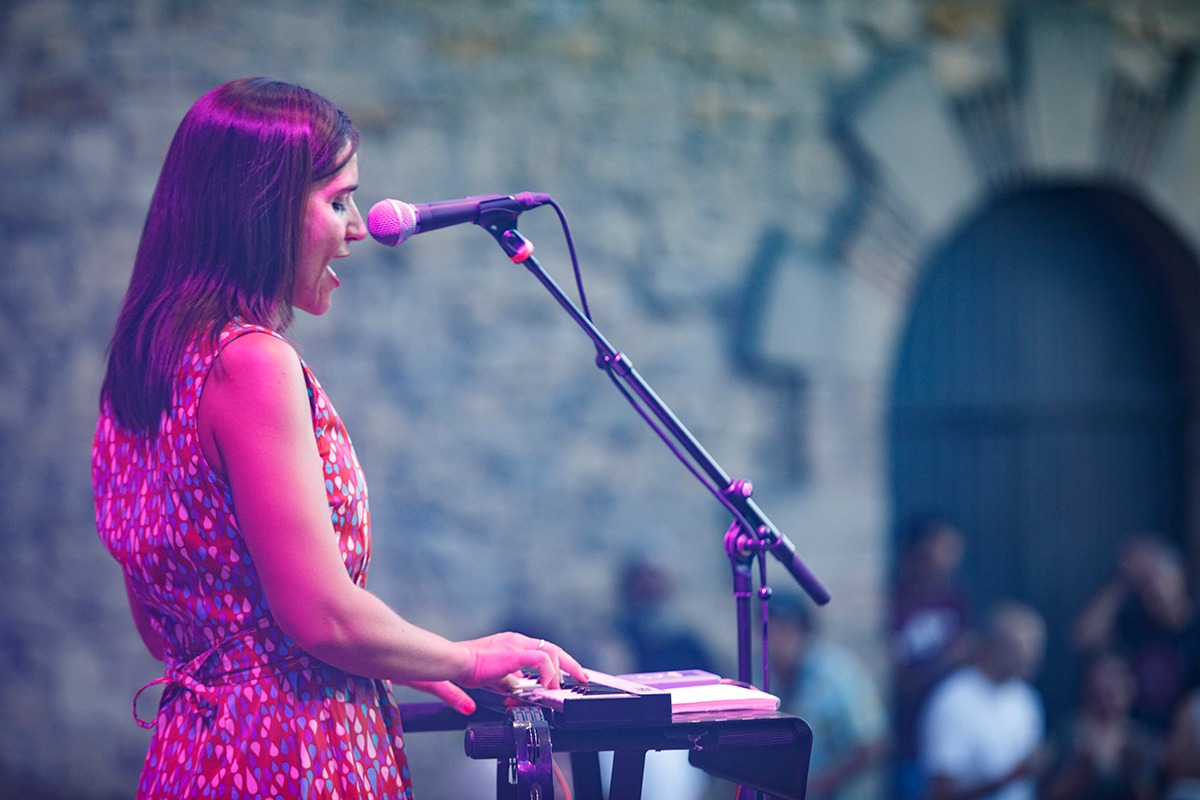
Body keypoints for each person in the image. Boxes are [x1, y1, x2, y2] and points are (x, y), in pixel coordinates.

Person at [91, 77, 587, 799]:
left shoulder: (142, 373)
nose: (357, 227)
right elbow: (322, 615)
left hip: (194, 754)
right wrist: (466, 659)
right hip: (288, 755)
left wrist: (402, 659)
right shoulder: (248, 364)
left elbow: (171, 621)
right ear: (260, 210)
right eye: (337, 200)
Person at [918, 600, 1049, 800]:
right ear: (991, 646)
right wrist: (1008, 778)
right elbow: (942, 792)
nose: (1030, 656)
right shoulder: (953, 701)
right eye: (1021, 646)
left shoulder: (1026, 698)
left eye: (1036, 646)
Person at [1073, 532, 1200, 734]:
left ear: (1181, 573)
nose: (1154, 588)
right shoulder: (1132, 622)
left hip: (1184, 742)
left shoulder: (1195, 629)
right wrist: (1122, 581)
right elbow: (1083, 639)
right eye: (1145, 582)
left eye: (1160, 577)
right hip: (1133, 741)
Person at [768, 593, 889, 800]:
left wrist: (824, 782)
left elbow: (874, 744)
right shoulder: (762, 675)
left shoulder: (838, 673)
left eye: (784, 630)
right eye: (769, 631)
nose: (777, 640)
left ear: (804, 633)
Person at [888, 516, 972, 799]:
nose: (952, 557)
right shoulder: (894, 602)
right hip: (908, 740)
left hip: (949, 738)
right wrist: (947, 662)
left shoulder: (954, 601)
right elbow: (893, 677)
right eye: (943, 548)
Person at [1041, 651, 1158, 800]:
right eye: (1108, 676)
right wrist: (1083, 768)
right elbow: (1048, 794)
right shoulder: (1067, 733)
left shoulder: (1139, 739)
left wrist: (1135, 773)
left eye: (1121, 676)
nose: (1115, 685)